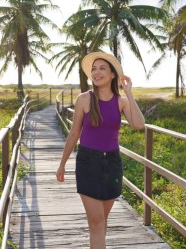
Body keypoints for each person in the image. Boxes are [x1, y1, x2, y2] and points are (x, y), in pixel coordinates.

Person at [56, 51, 145, 249]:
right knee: (96, 223)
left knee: (102, 222)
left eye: (102, 68)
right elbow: (73, 133)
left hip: (112, 164)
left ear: (113, 74)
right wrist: (62, 164)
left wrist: (128, 92)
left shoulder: (121, 101)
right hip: (88, 163)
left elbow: (139, 124)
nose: (96, 72)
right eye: (93, 69)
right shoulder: (84, 99)